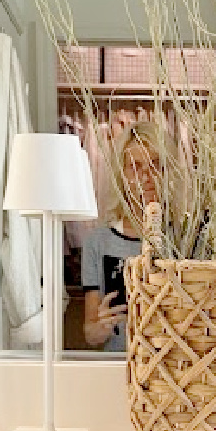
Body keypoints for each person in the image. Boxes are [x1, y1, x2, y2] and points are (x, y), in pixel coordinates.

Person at [81, 123, 170, 353]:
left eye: (155, 165)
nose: (146, 176)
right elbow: (91, 335)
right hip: (117, 363)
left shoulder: (186, 240)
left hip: (173, 365)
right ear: (122, 174)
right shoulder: (97, 242)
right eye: (135, 167)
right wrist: (102, 326)